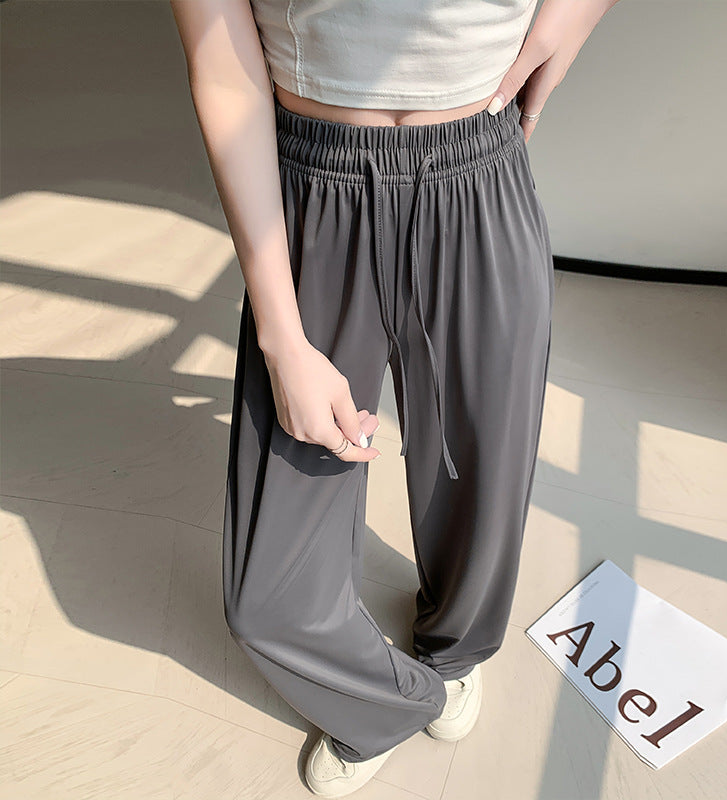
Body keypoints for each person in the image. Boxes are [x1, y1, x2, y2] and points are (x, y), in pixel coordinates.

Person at [169, 0, 620, 796]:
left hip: (478, 172)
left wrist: (568, 23)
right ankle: (385, 703)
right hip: (314, 187)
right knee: (264, 599)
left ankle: (457, 650)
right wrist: (280, 337)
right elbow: (223, 70)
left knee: (482, 472)